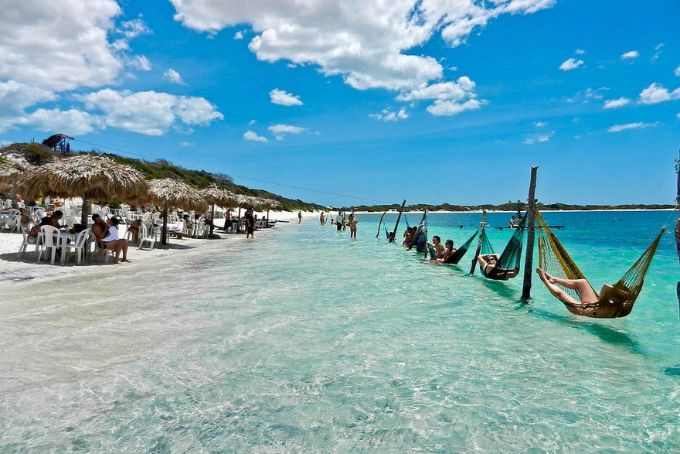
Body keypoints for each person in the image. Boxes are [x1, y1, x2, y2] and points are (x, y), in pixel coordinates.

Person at [536, 268, 611, 305]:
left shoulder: (616, 307)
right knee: (582, 282)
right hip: (594, 305)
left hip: (586, 310)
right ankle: (554, 279)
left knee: (560, 293)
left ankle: (544, 279)